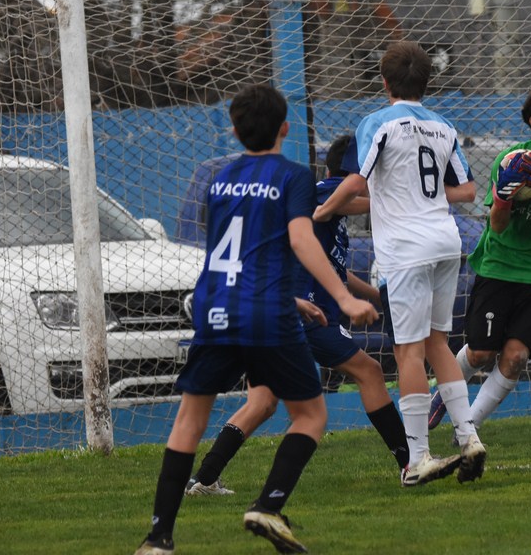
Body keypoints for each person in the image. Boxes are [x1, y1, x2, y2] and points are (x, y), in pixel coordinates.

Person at [135, 84, 379, 555]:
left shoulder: (218, 180)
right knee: (309, 414)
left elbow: (236, 253)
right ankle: (268, 506)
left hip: (216, 307)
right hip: (265, 313)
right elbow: (301, 241)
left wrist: (288, 300)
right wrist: (341, 299)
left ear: (233, 129)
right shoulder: (292, 177)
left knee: (189, 420)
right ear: (285, 128)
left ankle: (158, 538)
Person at [184, 135, 447, 494]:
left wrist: (375, 297)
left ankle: (204, 477)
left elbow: (335, 269)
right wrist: (394, 196)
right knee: (369, 372)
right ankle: (409, 463)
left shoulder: (328, 215)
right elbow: (336, 202)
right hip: (305, 316)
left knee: (261, 403)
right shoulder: (328, 189)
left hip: (279, 314)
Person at [313, 41, 486, 483]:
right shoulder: (443, 125)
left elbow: (356, 178)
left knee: (407, 351)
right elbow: (467, 192)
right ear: (426, 82)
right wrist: (422, 193)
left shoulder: (377, 122)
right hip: (446, 242)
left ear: (385, 81)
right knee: (438, 344)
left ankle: (418, 460)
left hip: (407, 248)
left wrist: (323, 210)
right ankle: (468, 437)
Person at [427, 79, 531, 433]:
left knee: (516, 357)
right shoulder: (510, 159)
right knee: (480, 354)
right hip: (499, 267)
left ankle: (466, 430)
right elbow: (497, 226)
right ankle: (439, 397)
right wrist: (504, 196)